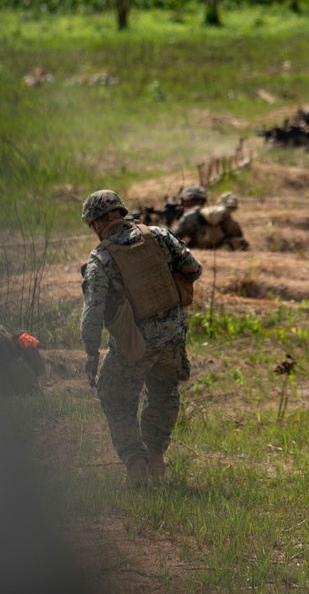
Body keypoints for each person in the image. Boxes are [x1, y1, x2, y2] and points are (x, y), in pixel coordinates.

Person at [80, 190, 202, 487]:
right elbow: (193, 268)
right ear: (120, 213)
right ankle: (157, 458)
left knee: (116, 398)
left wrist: (90, 352)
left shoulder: (101, 257)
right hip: (173, 335)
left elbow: (93, 311)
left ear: (97, 223)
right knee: (163, 392)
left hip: (135, 342)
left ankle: (136, 464)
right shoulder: (159, 235)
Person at [171, 185, 249, 251]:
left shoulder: (189, 216)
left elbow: (172, 237)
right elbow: (236, 232)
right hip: (229, 248)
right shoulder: (216, 213)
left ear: (188, 200)